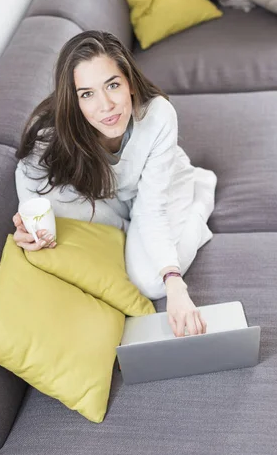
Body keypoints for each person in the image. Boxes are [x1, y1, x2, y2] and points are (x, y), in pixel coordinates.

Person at [13, 30, 217, 338]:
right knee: (53, 202)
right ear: (73, 99)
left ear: (130, 83)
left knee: (151, 281)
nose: (106, 105)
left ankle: (200, 197)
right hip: (115, 198)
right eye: (87, 94)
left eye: (112, 85)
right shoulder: (51, 134)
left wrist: (175, 283)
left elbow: (152, 209)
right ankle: (130, 232)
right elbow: (27, 177)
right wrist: (27, 225)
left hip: (162, 186)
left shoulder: (159, 115)